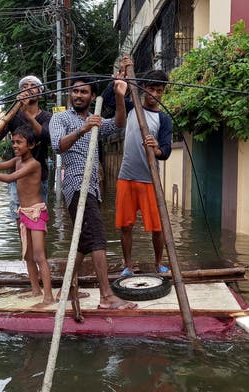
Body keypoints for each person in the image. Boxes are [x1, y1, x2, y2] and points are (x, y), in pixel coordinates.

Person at [49, 72, 137, 310]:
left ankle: (65, 292)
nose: (78, 95)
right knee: (97, 237)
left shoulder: (96, 120)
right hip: (76, 186)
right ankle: (107, 296)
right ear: (70, 94)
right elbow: (58, 146)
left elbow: (119, 123)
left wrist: (120, 96)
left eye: (84, 92)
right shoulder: (61, 119)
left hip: (93, 188)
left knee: (83, 242)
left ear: (92, 96)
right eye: (75, 91)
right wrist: (83, 129)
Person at [0, 125, 54, 307]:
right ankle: (35, 290)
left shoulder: (33, 165)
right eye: (13, 142)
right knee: (28, 256)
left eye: (19, 142)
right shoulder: (17, 161)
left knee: (39, 256)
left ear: (31, 145)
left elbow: (8, 178)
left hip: (36, 213)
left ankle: (48, 297)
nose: (14, 145)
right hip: (23, 214)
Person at [102, 56, 173, 275]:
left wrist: (156, 148)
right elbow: (108, 99)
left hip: (150, 179)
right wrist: (119, 77)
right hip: (126, 177)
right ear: (143, 88)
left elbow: (166, 151)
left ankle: (158, 263)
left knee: (157, 227)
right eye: (152, 89)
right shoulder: (131, 107)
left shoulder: (164, 119)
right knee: (126, 225)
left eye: (160, 90)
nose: (156, 95)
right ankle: (128, 264)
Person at [0, 75, 52, 220]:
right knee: (19, 219)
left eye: (32, 86)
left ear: (40, 92)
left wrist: (27, 115)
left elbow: (46, 136)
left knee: (38, 219)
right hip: (17, 177)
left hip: (39, 178)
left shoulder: (47, 117)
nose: (28, 89)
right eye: (24, 87)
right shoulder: (13, 116)